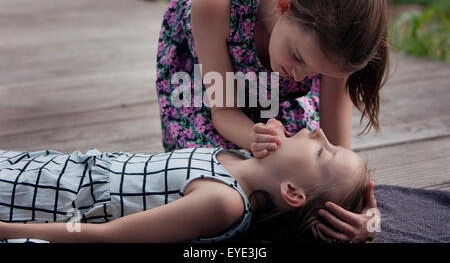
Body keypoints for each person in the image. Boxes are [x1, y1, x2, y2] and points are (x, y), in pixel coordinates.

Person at [156, 0, 386, 242]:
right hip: (208, 88)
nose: (302, 78)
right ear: (283, 8)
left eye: (317, 73)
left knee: (299, 182)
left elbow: (336, 159)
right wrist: (253, 136)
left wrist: (365, 218)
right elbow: (224, 111)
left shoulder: (333, 47)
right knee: (217, 181)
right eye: (299, 58)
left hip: (271, 92)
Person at [0, 121, 374, 243]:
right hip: (55, 170)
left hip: (47, 201)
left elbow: (108, 235)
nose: (320, 131)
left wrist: (5, 230)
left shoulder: (223, 201)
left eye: (323, 152)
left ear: (291, 192)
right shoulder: (239, 158)